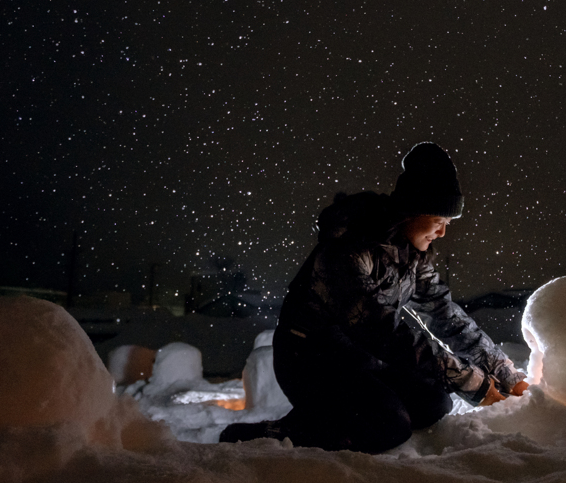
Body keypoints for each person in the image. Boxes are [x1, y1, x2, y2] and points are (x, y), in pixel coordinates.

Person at [220, 142, 528, 453]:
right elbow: (381, 330)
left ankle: (349, 413)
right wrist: (468, 381)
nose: (442, 233)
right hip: (310, 358)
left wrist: (503, 371)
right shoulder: (348, 249)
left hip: (359, 356)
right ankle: (274, 433)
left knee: (434, 401)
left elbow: (445, 315)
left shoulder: (411, 256)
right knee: (388, 424)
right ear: (412, 210)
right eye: (438, 221)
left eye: (447, 224)